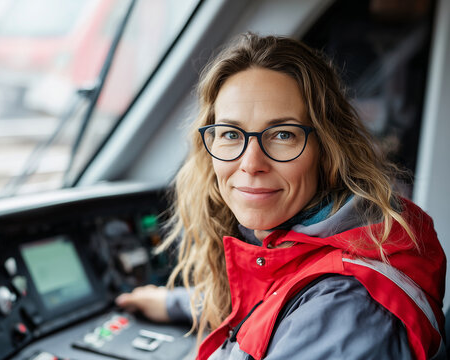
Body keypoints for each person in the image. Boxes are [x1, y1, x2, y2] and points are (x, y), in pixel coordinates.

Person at [115, 33, 446, 360]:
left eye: (283, 134)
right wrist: (173, 303)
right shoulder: (299, 241)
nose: (251, 164)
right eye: (231, 134)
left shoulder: (344, 307)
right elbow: (269, 289)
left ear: (328, 149)